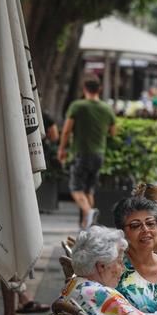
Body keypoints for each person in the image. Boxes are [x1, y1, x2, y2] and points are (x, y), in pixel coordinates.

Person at [57, 73, 117, 229]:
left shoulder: (78, 106)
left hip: (81, 153)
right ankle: (89, 226)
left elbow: (66, 130)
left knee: (75, 188)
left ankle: (88, 211)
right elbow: (113, 132)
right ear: (100, 89)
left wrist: (62, 149)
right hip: (99, 154)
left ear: (84, 89)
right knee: (89, 189)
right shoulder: (106, 108)